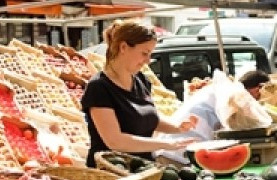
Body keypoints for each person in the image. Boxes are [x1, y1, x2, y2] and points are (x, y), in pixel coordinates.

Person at [81, 20, 197, 168]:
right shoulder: (99, 87)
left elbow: (145, 118)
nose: (148, 61)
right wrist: (166, 144)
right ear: (123, 47)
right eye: (144, 53)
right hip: (112, 172)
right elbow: (115, 141)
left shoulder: (141, 80)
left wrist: (177, 127)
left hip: (142, 168)